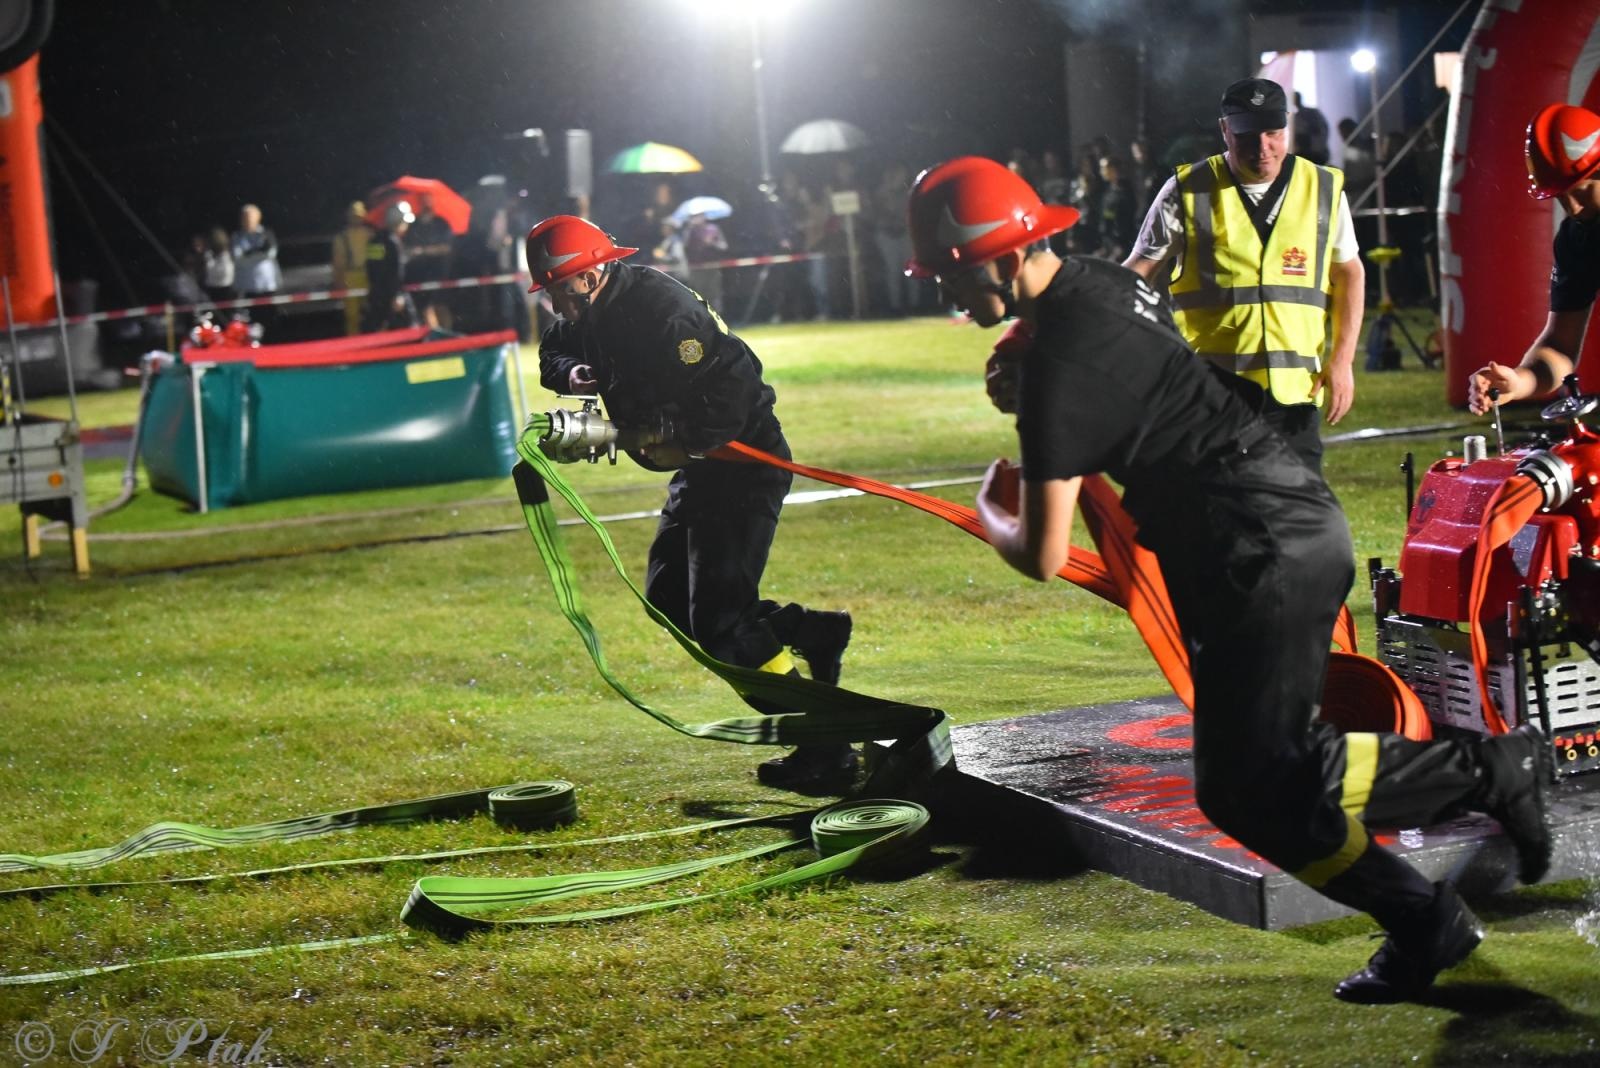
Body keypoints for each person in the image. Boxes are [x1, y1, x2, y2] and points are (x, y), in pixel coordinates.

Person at [906, 155, 1553, 1004]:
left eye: (951, 275)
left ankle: (1455, 845)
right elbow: (1132, 381)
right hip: (1262, 533)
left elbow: (1040, 553)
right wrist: (1027, 361)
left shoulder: (1059, 372)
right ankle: (1458, 834)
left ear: (996, 257)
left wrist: (995, 503)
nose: (947, 297)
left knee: (1255, 788)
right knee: (1268, 777)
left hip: (1256, 550)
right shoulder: (1100, 283)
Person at [526, 215, 855, 792]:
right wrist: (574, 374)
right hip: (697, 474)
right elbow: (552, 351)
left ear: (595, 273)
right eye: (549, 291)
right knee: (669, 600)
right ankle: (812, 633)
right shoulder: (588, 310)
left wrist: (615, 437)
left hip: (740, 466)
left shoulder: (661, 311)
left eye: (562, 289)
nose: (558, 304)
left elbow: (725, 408)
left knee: (722, 625)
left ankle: (825, 746)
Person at [1125, 78, 1364, 472]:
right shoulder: (1186, 190)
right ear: (1225, 130)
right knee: (1220, 519)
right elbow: (1136, 273)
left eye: (1273, 133)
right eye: (1248, 135)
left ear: (1287, 125)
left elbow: (1349, 273)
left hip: (1295, 396)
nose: (1262, 147)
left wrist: (1342, 362)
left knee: (1297, 522)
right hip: (1213, 396)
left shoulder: (1322, 188)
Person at [1471, 103, 1600, 413]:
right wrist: (1518, 381)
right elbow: (1559, 346)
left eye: (1581, 190)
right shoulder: (1576, 239)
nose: (1573, 209)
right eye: (1560, 196)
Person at [362, 200, 418, 333]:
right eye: (404, 223)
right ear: (397, 221)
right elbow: (396, 272)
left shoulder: (374, 241)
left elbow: (372, 268)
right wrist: (397, 295)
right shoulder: (393, 242)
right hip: (393, 296)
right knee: (411, 329)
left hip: (377, 295)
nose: (406, 226)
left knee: (376, 328)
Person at [405, 194, 456, 330]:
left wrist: (423, 251)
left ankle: (447, 337)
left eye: (429, 202)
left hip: (439, 272)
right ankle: (433, 339)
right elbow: (406, 246)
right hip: (418, 273)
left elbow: (446, 247)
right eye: (423, 202)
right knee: (423, 307)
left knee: (441, 305)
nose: (426, 205)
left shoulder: (442, 224)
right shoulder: (413, 225)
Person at [231, 203, 281, 330]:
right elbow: (238, 258)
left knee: (270, 318)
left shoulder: (266, 233)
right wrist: (259, 253)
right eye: (245, 217)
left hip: (267, 285)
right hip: (248, 287)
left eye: (250, 217)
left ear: (258, 218)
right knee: (250, 321)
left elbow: (271, 254)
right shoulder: (237, 237)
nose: (247, 220)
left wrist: (249, 254)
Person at [330, 200, 370, 336]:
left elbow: (376, 258)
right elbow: (338, 263)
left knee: (369, 312)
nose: (356, 219)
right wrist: (338, 281)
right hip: (350, 277)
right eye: (354, 216)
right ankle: (354, 342)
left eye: (359, 216)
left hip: (368, 275)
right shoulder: (341, 237)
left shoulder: (370, 235)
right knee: (352, 315)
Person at [1292, 91, 1331, 166]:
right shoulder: (1312, 112)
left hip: (1314, 155)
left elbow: (1321, 130)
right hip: (1315, 154)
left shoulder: (1302, 116)